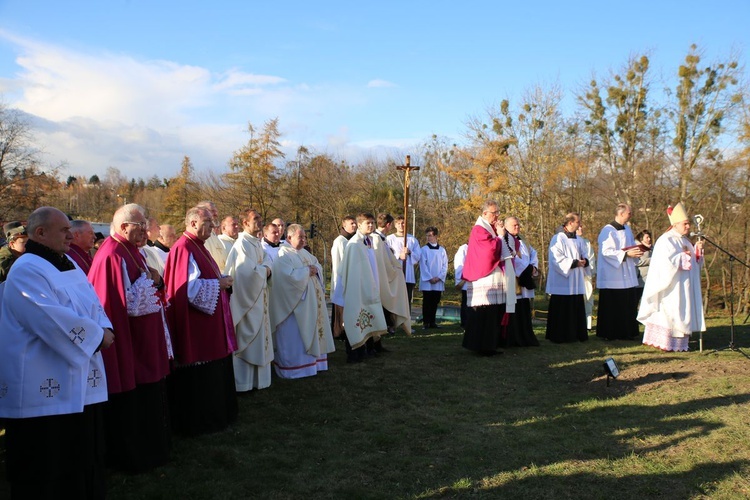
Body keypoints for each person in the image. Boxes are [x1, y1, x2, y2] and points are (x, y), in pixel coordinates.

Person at [0, 207, 114, 499]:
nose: (71, 235)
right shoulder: (26, 269)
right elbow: (49, 317)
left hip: (79, 381)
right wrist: (98, 336)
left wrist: (104, 327)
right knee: (48, 467)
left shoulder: (68, 264)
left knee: (80, 458)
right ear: (40, 233)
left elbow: (93, 301)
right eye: (64, 230)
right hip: (42, 388)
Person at [88, 203, 172, 472]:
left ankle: (153, 449)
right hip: (129, 344)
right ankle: (132, 457)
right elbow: (114, 305)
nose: (146, 231)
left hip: (144, 341)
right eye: (141, 226)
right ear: (124, 227)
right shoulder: (113, 255)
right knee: (130, 404)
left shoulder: (133, 251)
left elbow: (146, 287)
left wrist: (155, 281)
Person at [163, 206, 238, 436]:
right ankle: (203, 421)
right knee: (202, 375)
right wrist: (219, 284)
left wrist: (219, 280)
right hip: (197, 327)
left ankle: (220, 416)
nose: (213, 228)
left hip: (209, 323)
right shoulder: (185, 248)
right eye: (208, 222)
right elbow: (188, 289)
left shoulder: (198, 246)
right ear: (193, 223)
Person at [269, 225, 336, 378]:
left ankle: (314, 364)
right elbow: (285, 279)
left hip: (310, 304)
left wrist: (315, 269)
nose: (304, 240)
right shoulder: (283, 256)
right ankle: (293, 369)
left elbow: (317, 265)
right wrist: (307, 271)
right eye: (300, 237)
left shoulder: (304, 253)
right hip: (293, 307)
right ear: (289, 238)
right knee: (294, 337)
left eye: (305, 237)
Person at [638, 203, 705, 351]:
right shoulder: (666, 240)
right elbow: (664, 262)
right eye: (685, 224)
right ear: (675, 224)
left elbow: (693, 263)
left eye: (688, 224)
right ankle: (665, 342)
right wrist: (682, 257)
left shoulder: (686, 240)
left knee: (682, 310)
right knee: (671, 311)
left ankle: (681, 343)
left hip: (684, 285)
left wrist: (697, 253)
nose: (688, 227)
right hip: (671, 286)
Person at [224, 208, 274, 391]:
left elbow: (267, 261)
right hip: (247, 302)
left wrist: (265, 268)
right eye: (256, 219)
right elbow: (245, 272)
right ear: (245, 223)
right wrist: (264, 270)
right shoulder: (242, 244)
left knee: (261, 339)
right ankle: (244, 384)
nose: (260, 222)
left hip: (259, 298)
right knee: (248, 340)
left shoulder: (256, 242)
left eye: (260, 218)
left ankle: (259, 381)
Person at [461, 200, 516, 355]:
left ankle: (490, 345)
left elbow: (507, 246)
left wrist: (500, 234)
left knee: (493, 314)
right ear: (485, 213)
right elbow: (489, 251)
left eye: (498, 212)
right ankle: (481, 346)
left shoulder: (490, 228)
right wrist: (499, 236)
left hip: (494, 278)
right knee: (484, 315)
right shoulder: (479, 229)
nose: (497, 215)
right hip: (484, 279)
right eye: (494, 212)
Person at [331, 212, 388, 363]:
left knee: (368, 317)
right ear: (359, 225)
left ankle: (368, 349)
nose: (370, 225)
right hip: (355, 289)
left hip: (368, 288)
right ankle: (354, 353)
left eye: (372, 223)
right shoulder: (354, 244)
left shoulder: (368, 241)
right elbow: (349, 270)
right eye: (367, 223)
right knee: (354, 319)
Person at [596, 203, 643, 341]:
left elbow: (630, 246)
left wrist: (637, 250)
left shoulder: (627, 229)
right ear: (621, 214)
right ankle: (611, 333)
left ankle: (627, 332)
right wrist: (626, 254)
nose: (631, 215)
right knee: (614, 306)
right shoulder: (607, 231)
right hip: (613, 275)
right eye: (629, 213)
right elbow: (606, 252)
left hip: (627, 274)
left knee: (627, 304)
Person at [545, 213, 589, 343]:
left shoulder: (580, 240)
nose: (580, 224)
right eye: (577, 222)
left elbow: (585, 254)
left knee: (576, 305)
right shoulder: (558, 238)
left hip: (576, 279)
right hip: (563, 281)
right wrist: (574, 263)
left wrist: (584, 261)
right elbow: (555, 258)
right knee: (563, 308)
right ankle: (560, 335)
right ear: (570, 223)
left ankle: (577, 334)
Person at [372, 213, 412, 339]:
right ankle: (383, 327)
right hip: (380, 277)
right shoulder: (377, 239)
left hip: (384, 276)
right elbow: (381, 261)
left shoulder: (381, 239)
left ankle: (388, 326)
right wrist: (395, 270)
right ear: (389, 225)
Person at [504, 216, 540, 347]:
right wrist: (527, 269)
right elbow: (511, 259)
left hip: (525, 276)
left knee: (524, 309)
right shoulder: (505, 240)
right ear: (506, 226)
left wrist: (533, 267)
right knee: (514, 310)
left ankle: (525, 336)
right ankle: (514, 338)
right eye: (514, 225)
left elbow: (533, 253)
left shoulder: (523, 240)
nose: (517, 227)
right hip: (514, 279)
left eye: (518, 225)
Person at [330, 215, 357, 338]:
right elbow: (337, 263)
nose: (354, 225)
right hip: (341, 279)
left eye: (355, 223)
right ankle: (339, 332)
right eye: (351, 223)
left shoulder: (353, 241)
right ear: (344, 225)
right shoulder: (340, 241)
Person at [386, 215, 421, 303]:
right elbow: (386, 255)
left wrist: (410, 252)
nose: (401, 225)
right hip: (395, 274)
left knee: (406, 300)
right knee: (395, 301)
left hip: (408, 275)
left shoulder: (412, 239)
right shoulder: (389, 239)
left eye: (403, 223)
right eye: (399, 223)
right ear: (395, 225)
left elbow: (418, 256)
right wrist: (398, 256)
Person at [419, 226, 448, 329]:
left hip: (438, 281)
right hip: (428, 281)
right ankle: (426, 322)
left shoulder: (442, 250)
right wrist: (430, 277)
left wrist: (439, 277)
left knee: (435, 301)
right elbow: (423, 265)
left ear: (436, 236)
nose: (428, 238)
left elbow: (445, 265)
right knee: (427, 302)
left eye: (430, 235)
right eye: (427, 235)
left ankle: (433, 322)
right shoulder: (423, 249)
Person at [197, 200, 229, 271]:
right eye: (212, 211)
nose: (216, 214)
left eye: (216, 211)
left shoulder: (213, 234)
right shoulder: (200, 235)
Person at [577, 224, 596, 330]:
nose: (581, 229)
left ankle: (587, 325)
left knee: (587, 299)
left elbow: (591, 258)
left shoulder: (586, 242)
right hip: (574, 276)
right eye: (578, 227)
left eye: (581, 227)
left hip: (585, 276)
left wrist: (588, 268)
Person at [453, 241, 469, 328]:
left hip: (477, 281)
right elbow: (459, 264)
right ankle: (465, 323)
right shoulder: (464, 248)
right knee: (466, 303)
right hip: (466, 280)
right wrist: (461, 280)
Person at [634, 229, 653, 304]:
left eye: (650, 237)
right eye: (647, 237)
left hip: (649, 278)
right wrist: (651, 260)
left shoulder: (652, 247)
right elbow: (637, 262)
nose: (649, 239)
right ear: (641, 238)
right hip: (640, 279)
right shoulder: (637, 248)